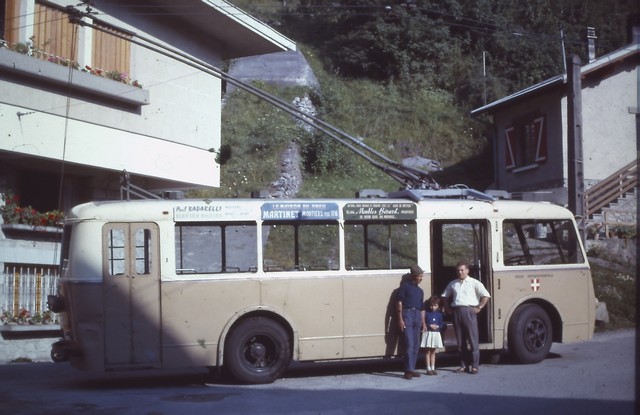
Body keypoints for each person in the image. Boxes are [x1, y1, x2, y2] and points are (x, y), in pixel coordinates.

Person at [441, 261, 490, 375]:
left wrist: (479, 307)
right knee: (460, 341)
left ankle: (474, 366)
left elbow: (486, 295)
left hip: (469, 311)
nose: (460, 272)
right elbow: (444, 295)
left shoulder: (474, 283)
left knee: (473, 339)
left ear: (467, 270)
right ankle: (463, 365)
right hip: (456, 311)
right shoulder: (453, 283)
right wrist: (447, 308)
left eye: (462, 270)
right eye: (458, 270)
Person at [396, 265, 426, 380]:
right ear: (414, 276)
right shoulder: (405, 287)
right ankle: (408, 370)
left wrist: (423, 322)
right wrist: (400, 319)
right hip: (407, 314)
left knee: (416, 345)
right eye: (420, 276)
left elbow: (422, 307)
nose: (421, 278)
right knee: (409, 344)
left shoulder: (420, 291)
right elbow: (399, 302)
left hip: (417, 315)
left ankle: (412, 368)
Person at [420, 295, 445, 375]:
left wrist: (437, 326)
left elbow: (442, 324)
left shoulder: (439, 314)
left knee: (433, 351)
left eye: (435, 305)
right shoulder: (427, 313)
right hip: (428, 333)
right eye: (431, 305)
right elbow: (424, 323)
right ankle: (428, 368)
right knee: (427, 351)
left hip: (435, 334)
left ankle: (433, 367)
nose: (433, 307)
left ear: (438, 306)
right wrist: (429, 325)